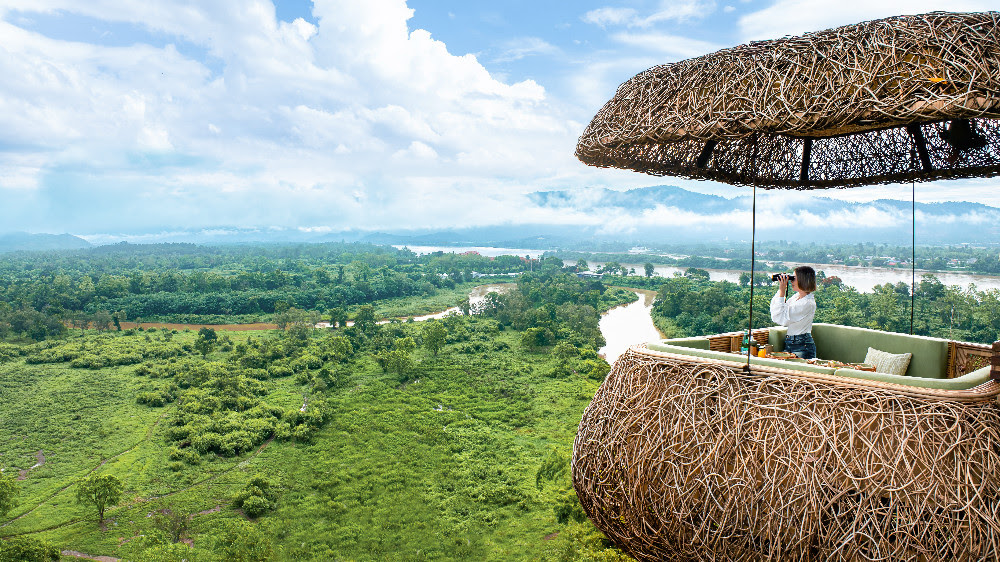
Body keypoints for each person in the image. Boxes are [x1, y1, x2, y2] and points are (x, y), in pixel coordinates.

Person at [770, 266, 817, 359]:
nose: (791, 281)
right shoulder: (796, 297)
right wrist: (782, 290)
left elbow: (781, 318)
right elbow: (777, 310)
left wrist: (782, 290)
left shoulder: (807, 303)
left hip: (802, 345)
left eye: (794, 278)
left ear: (803, 280)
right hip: (791, 342)